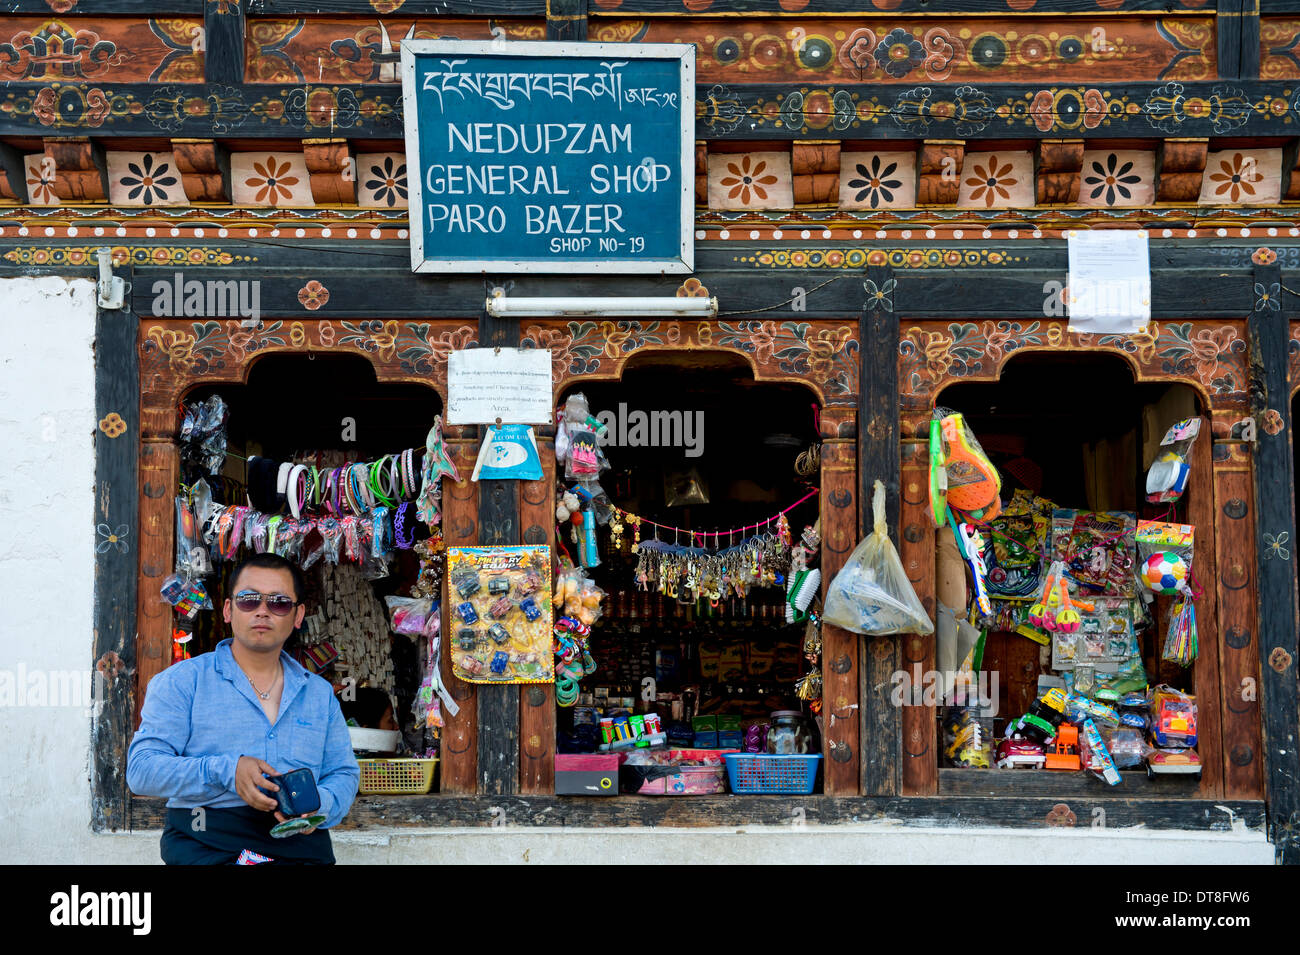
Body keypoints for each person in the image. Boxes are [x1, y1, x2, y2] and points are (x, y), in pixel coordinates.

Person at [127, 553, 360, 864]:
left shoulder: (318, 693)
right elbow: (142, 770)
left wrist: (319, 804)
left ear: (298, 615)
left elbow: (343, 773)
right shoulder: (183, 682)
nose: (262, 611)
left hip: (301, 848)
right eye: (249, 600)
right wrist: (227, 770)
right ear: (228, 609)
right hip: (207, 842)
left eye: (278, 602)